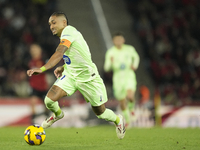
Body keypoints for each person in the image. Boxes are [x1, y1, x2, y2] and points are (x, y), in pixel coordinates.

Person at [27, 12, 125, 139]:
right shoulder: (65, 36)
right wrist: (64, 67)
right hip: (71, 75)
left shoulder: (69, 31)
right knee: (49, 100)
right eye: (50, 24)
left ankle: (118, 120)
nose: (51, 26)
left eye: (54, 22)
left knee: (101, 113)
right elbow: (76, 55)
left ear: (64, 22)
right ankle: (57, 114)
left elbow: (59, 52)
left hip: (88, 78)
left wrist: (42, 69)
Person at [104, 32, 140, 128]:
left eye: (120, 40)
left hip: (129, 75)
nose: (119, 42)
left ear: (123, 40)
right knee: (122, 101)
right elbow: (106, 68)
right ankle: (128, 120)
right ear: (114, 41)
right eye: (117, 40)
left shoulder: (129, 49)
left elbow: (136, 57)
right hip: (118, 78)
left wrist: (134, 65)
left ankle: (131, 110)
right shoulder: (111, 52)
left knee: (130, 96)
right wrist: (110, 63)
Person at [28, 44, 49, 123]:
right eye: (32, 50)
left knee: (46, 104)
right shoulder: (30, 61)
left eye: (35, 50)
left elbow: (48, 68)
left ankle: (47, 116)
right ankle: (33, 120)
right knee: (33, 102)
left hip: (43, 86)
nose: (33, 51)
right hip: (34, 86)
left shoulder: (43, 60)